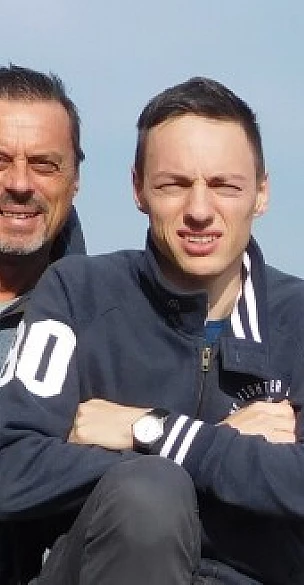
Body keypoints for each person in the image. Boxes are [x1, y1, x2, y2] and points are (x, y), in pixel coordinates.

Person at [0, 77, 304, 584]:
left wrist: (150, 432)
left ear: (261, 192)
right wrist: (206, 459)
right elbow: (11, 465)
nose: (200, 211)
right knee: (147, 497)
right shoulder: (79, 293)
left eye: (225, 185)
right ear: (138, 189)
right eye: (174, 184)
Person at [0, 64, 86, 585]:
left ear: (75, 178)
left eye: (45, 164)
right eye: (0, 161)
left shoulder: (113, 320)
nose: (19, 184)